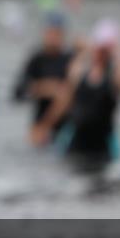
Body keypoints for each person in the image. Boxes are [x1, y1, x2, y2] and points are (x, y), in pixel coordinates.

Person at [32, 18, 120, 172]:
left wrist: (118, 52)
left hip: (103, 143)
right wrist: (44, 126)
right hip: (76, 139)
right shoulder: (80, 68)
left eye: (104, 48)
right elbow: (64, 101)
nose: (101, 51)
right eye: (99, 46)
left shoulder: (114, 74)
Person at [12, 11, 75, 145]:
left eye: (56, 33)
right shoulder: (36, 59)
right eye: (49, 33)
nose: (52, 37)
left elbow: (73, 93)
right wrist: (44, 88)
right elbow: (17, 93)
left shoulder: (70, 59)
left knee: (64, 95)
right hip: (38, 124)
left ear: (63, 35)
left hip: (63, 126)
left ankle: (44, 128)